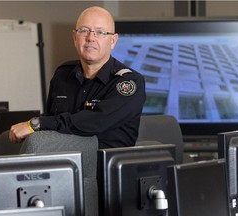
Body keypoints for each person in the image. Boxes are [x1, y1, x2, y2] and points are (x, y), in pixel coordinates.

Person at [9, 6, 146, 149]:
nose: (90, 38)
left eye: (100, 32)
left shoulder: (129, 82)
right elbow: (51, 119)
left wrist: (37, 124)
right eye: (84, 31)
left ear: (113, 41)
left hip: (105, 166)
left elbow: (94, 122)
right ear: (75, 37)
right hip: (61, 162)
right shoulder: (63, 74)